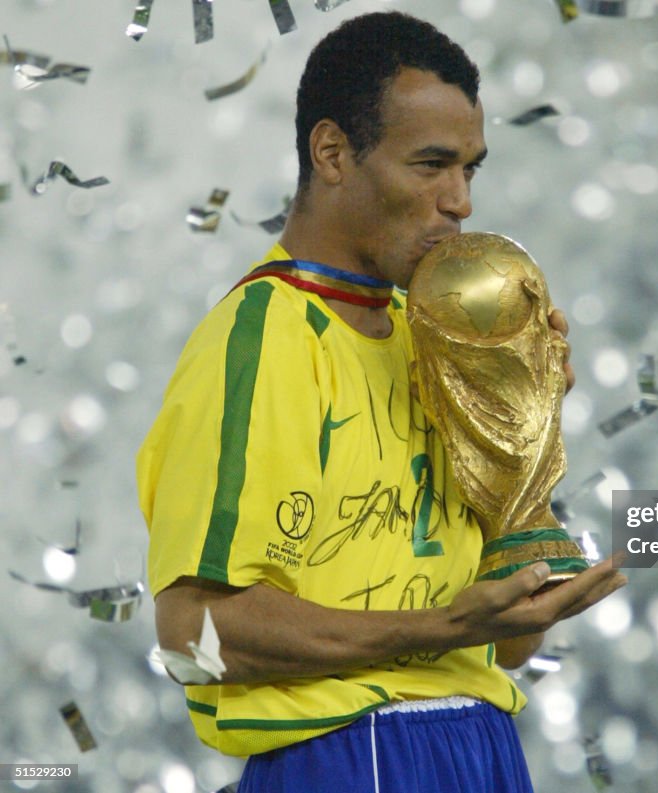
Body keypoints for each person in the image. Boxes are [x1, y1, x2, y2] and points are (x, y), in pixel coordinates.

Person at [138, 10, 625, 793]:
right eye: (430, 165)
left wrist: (525, 439)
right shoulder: (258, 338)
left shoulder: (438, 338)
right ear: (332, 152)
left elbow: (505, 649)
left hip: (483, 745)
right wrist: (442, 628)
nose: (459, 200)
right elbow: (190, 636)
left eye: (470, 169)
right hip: (345, 756)